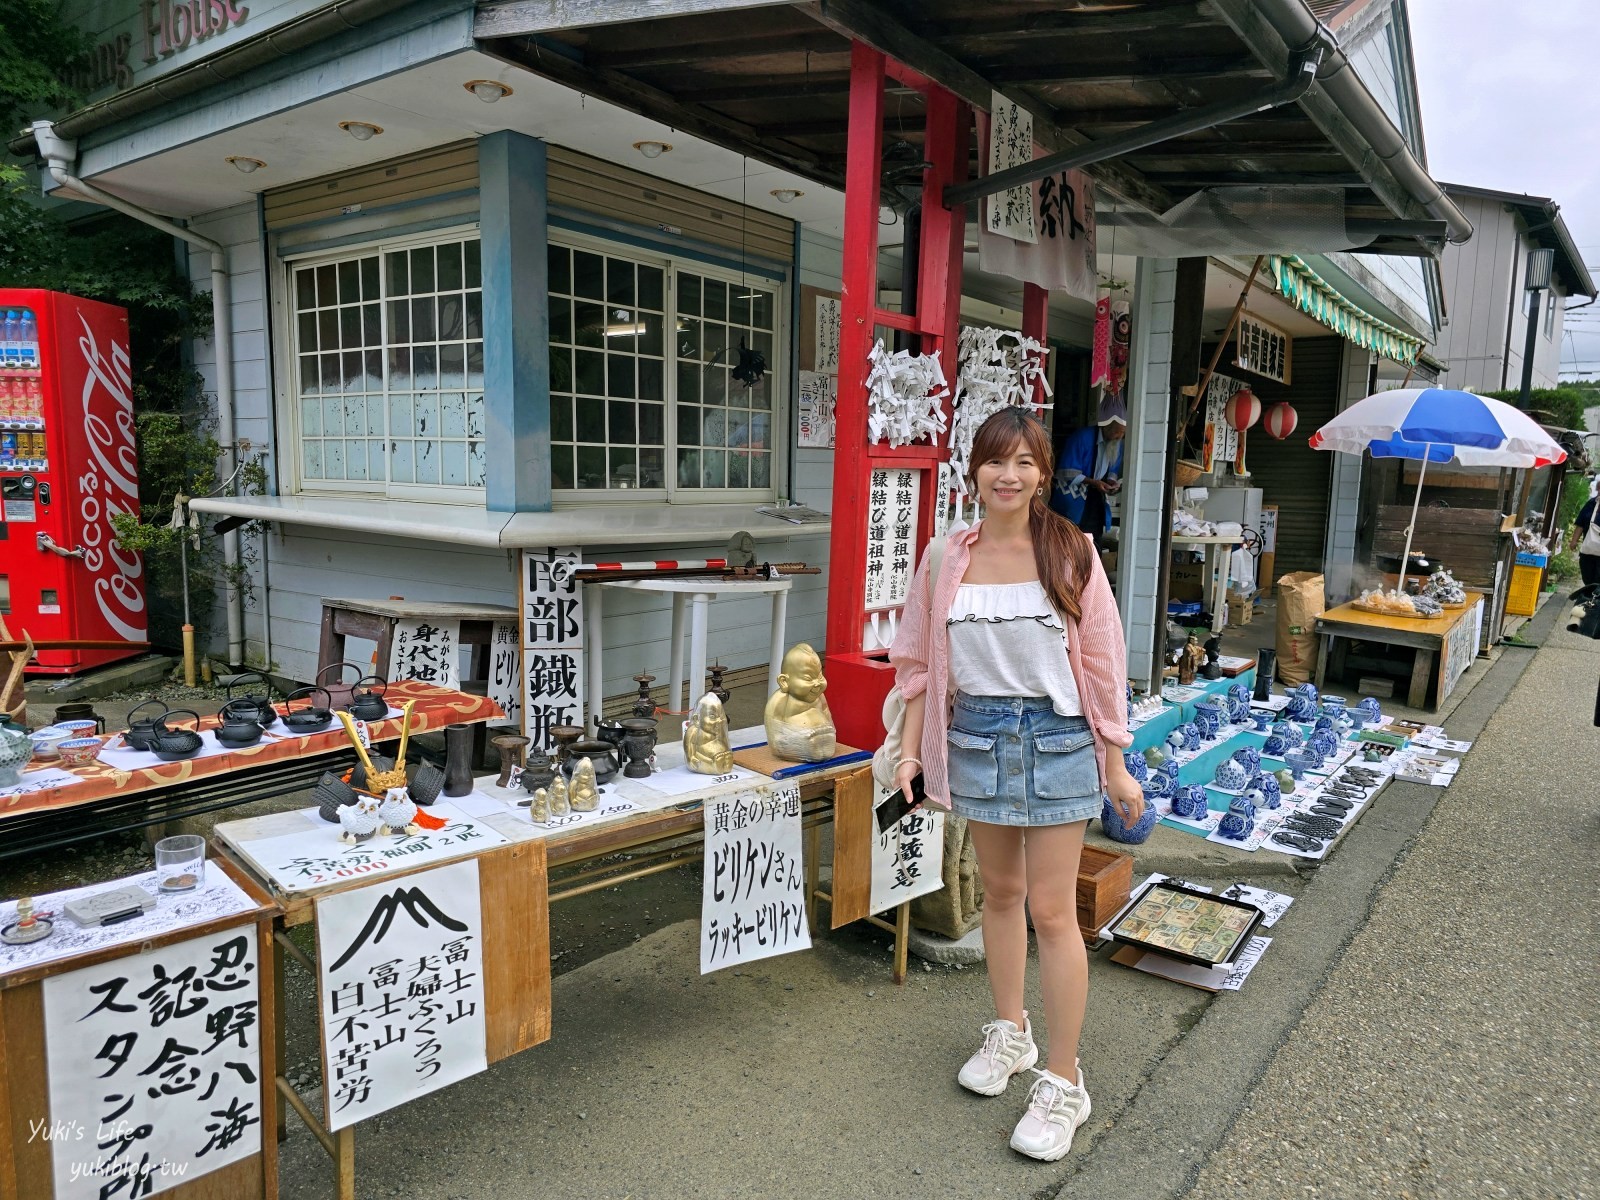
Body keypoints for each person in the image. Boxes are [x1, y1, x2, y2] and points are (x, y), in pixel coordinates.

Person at [889, 407, 1144, 1162]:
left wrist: (1117, 760)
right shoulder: (943, 558)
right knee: (998, 894)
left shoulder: (1072, 552)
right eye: (996, 462)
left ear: (1042, 474)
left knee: (1052, 911)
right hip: (974, 739)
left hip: (1059, 739)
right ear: (974, 470)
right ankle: (1011, 1035)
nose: (1010, 476)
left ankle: (1065, 1082)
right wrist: (909, 753)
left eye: (1025, 463)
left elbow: (1100, 663)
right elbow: (918, 667)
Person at [1049, 394, 1126, 547]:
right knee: (1072, 539)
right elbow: (1066, 470)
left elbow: (1113, 469)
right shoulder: (1082, 437)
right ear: (1106, 426)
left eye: (1123, 432)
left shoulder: (1116, 443)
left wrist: (1111, 481)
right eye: (1118, 431)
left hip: (1096, 496)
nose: (1120, 436)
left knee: (1093, 539)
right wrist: (1092, 482)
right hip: (1074, 497)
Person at [1576, 490, 1600, 595]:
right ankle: (1589, 600)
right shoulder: (1592, 503)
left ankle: (1595, 602)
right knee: (1588, 578)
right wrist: (1574, 541)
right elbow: (1580, 523)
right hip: (1588, 550)